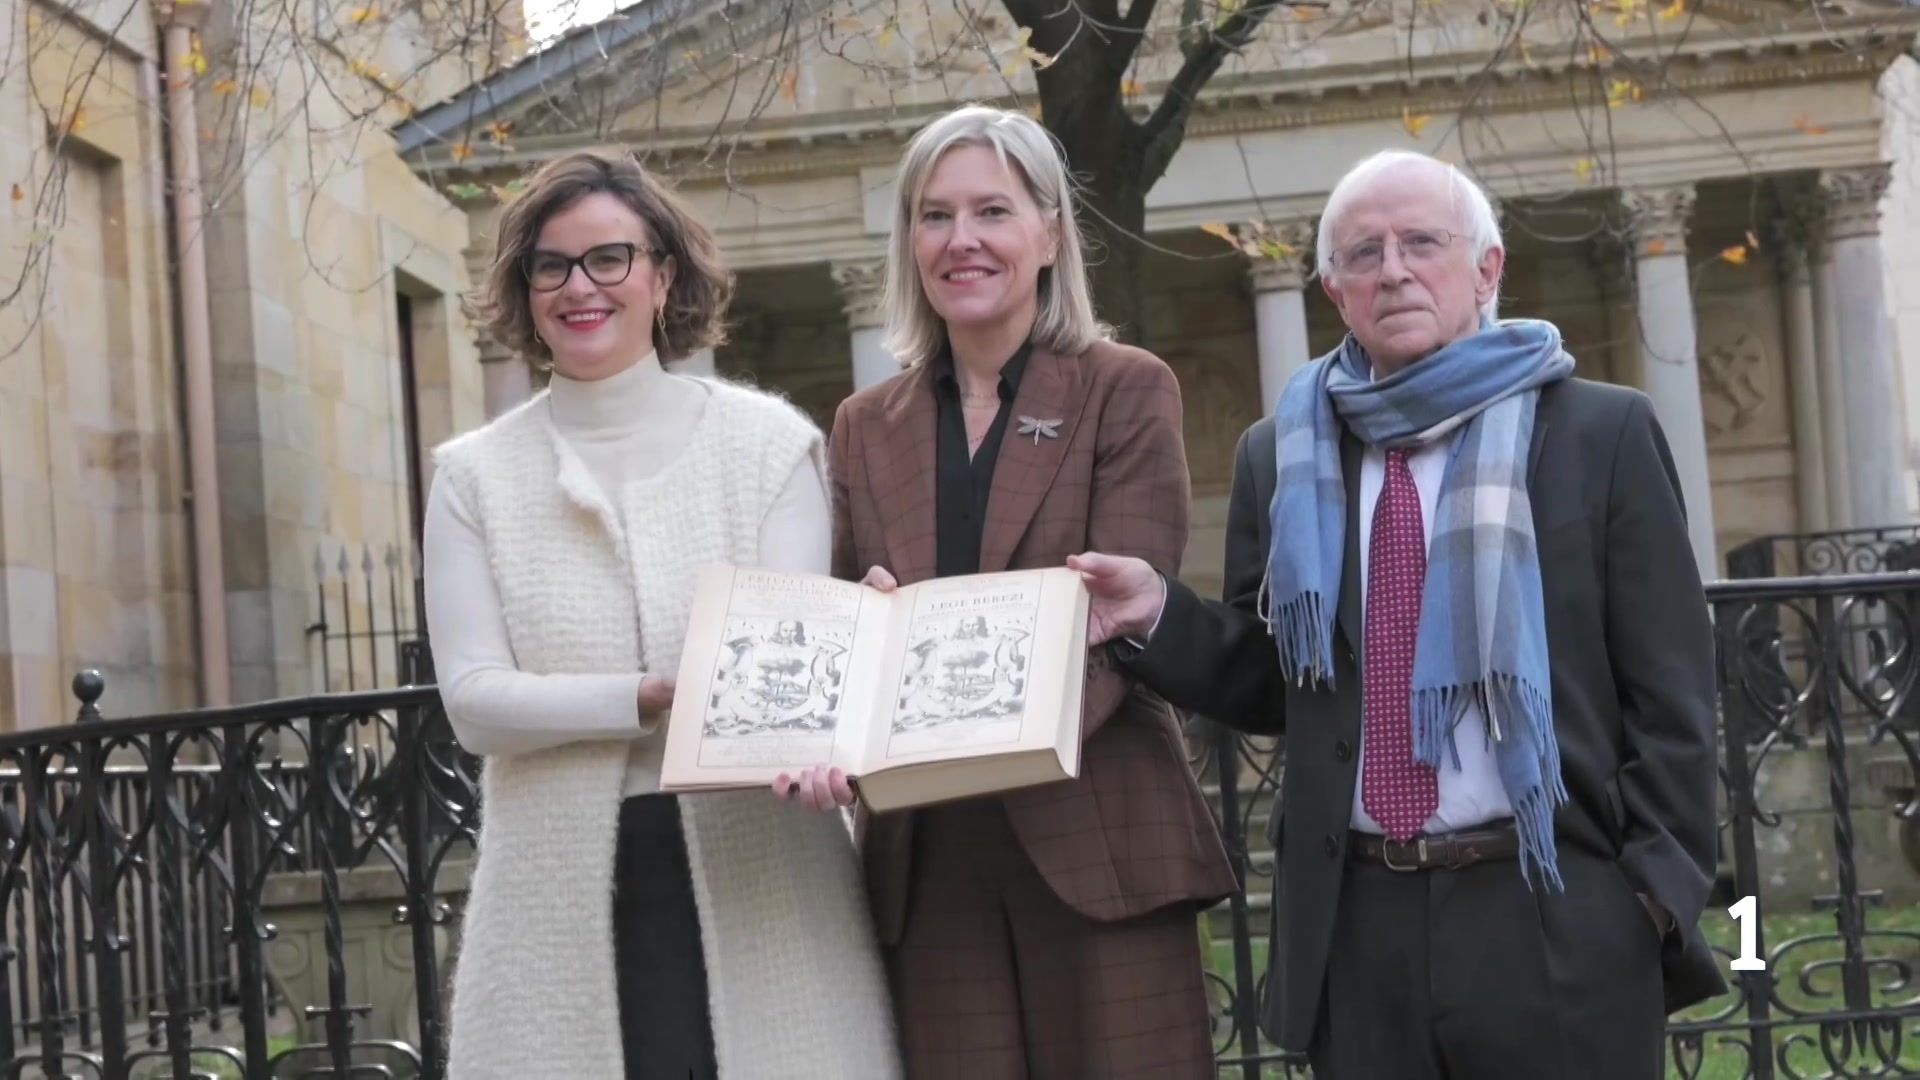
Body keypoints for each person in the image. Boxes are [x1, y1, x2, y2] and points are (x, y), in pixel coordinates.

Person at [1068, 149, 1726, 1077]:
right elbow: (1278, 679)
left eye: (1422, 242)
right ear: (1335, 290)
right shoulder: (1280, 455)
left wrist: (1646, 904)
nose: (1394, 270)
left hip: (1553, 911)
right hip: (1361, 926)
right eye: (1364, 253)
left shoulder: (1600, 433)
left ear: (1486, 269)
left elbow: (1675, 694)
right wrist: (1156, 615)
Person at [776, 104, 1237, 1078]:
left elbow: (1119, 621)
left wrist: (954, 730)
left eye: (992, 210)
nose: (963, 239)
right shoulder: (863, 424)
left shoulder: (1125, 388)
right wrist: (839, 702)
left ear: (1050, 233)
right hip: (930, 865)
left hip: (1097, 839)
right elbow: (844, 618)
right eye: (935, 215)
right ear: (910, 242)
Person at [423, 150, 901, 1080]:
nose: (580, 287)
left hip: (765, 876)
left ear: (664, 275)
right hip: (557, 898)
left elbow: (790, 671)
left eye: (610, 257)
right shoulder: (473, 478)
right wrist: (642, 695)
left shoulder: (768, 447)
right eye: (551, 266)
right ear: (524, 290)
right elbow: (475, 703)